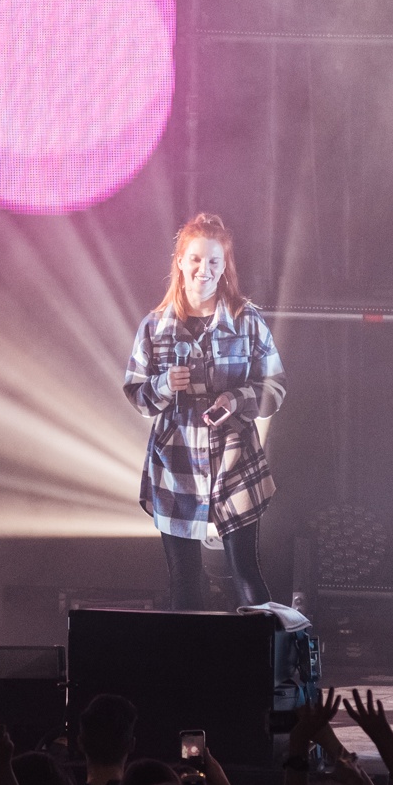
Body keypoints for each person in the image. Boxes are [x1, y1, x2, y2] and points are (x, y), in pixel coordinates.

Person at [122, 213, 284, 610]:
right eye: (195, 259)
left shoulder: (247, 320)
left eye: (213, 261)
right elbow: (137, 395)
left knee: (245, 569)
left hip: (234, 457)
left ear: (225, 265)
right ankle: (187, 651)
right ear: (180, 261)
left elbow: (275, 388)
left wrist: (236, 399)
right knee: (185, 576)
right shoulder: (154, 327)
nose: (204, 269)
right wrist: (164, 384)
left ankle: (261, 648)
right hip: (175, 459)